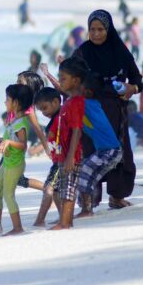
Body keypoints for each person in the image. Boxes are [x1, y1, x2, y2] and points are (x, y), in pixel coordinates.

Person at [72, 10, 142, 209]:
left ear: (109, 30)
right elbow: (70, 81)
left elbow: (137, 80)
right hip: (90, 114)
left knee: (120, 154)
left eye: (100, 29)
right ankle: (89, 200)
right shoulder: (82, 53)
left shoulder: (120, 51)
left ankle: (117, 197)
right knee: (90, 153)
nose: (96, 34)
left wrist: (132, 89)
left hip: (116, 114)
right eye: (92, 29)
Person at [0, 84, 32, 237]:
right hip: (7, 162)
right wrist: (1, 141)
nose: (5, 102)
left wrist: (9, 142)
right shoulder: (13, 120)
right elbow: (9, 138)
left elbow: (23, 145)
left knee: (8, 194)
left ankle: (18, 227)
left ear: (16, 103)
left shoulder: (21, 123)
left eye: (7, 99)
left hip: (15, 164)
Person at [75, 69, 122, 218]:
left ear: (87, 92)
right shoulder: (89, 102)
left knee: (85, 171)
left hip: (109, 151)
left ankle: (86, 210)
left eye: (78, 85)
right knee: (87, 174)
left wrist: (50, 76)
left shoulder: (87, 103)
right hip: (107, 151)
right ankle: (87, 207)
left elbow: (66, 92)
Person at [49, 57, 86, 229]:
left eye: (63, 78)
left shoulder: (76, 102)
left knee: (69, 189)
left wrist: (71, 157)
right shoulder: (70, 101)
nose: (60, 81)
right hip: (65, 154)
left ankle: (64, 222)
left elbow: (77, 129)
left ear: (76, 81)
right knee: (65, 187)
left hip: (73, 154)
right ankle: (66, 221)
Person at [31, 87, 64, 227]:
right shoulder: (56, 118)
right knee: (55, 190)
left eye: (45, 108)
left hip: (62, 160)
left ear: (56, 102)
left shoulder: (61, 117)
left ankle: (40, 220)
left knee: (49, 189)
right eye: (41, 110)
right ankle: (62, 216)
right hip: (58, 160)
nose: (44, 113)